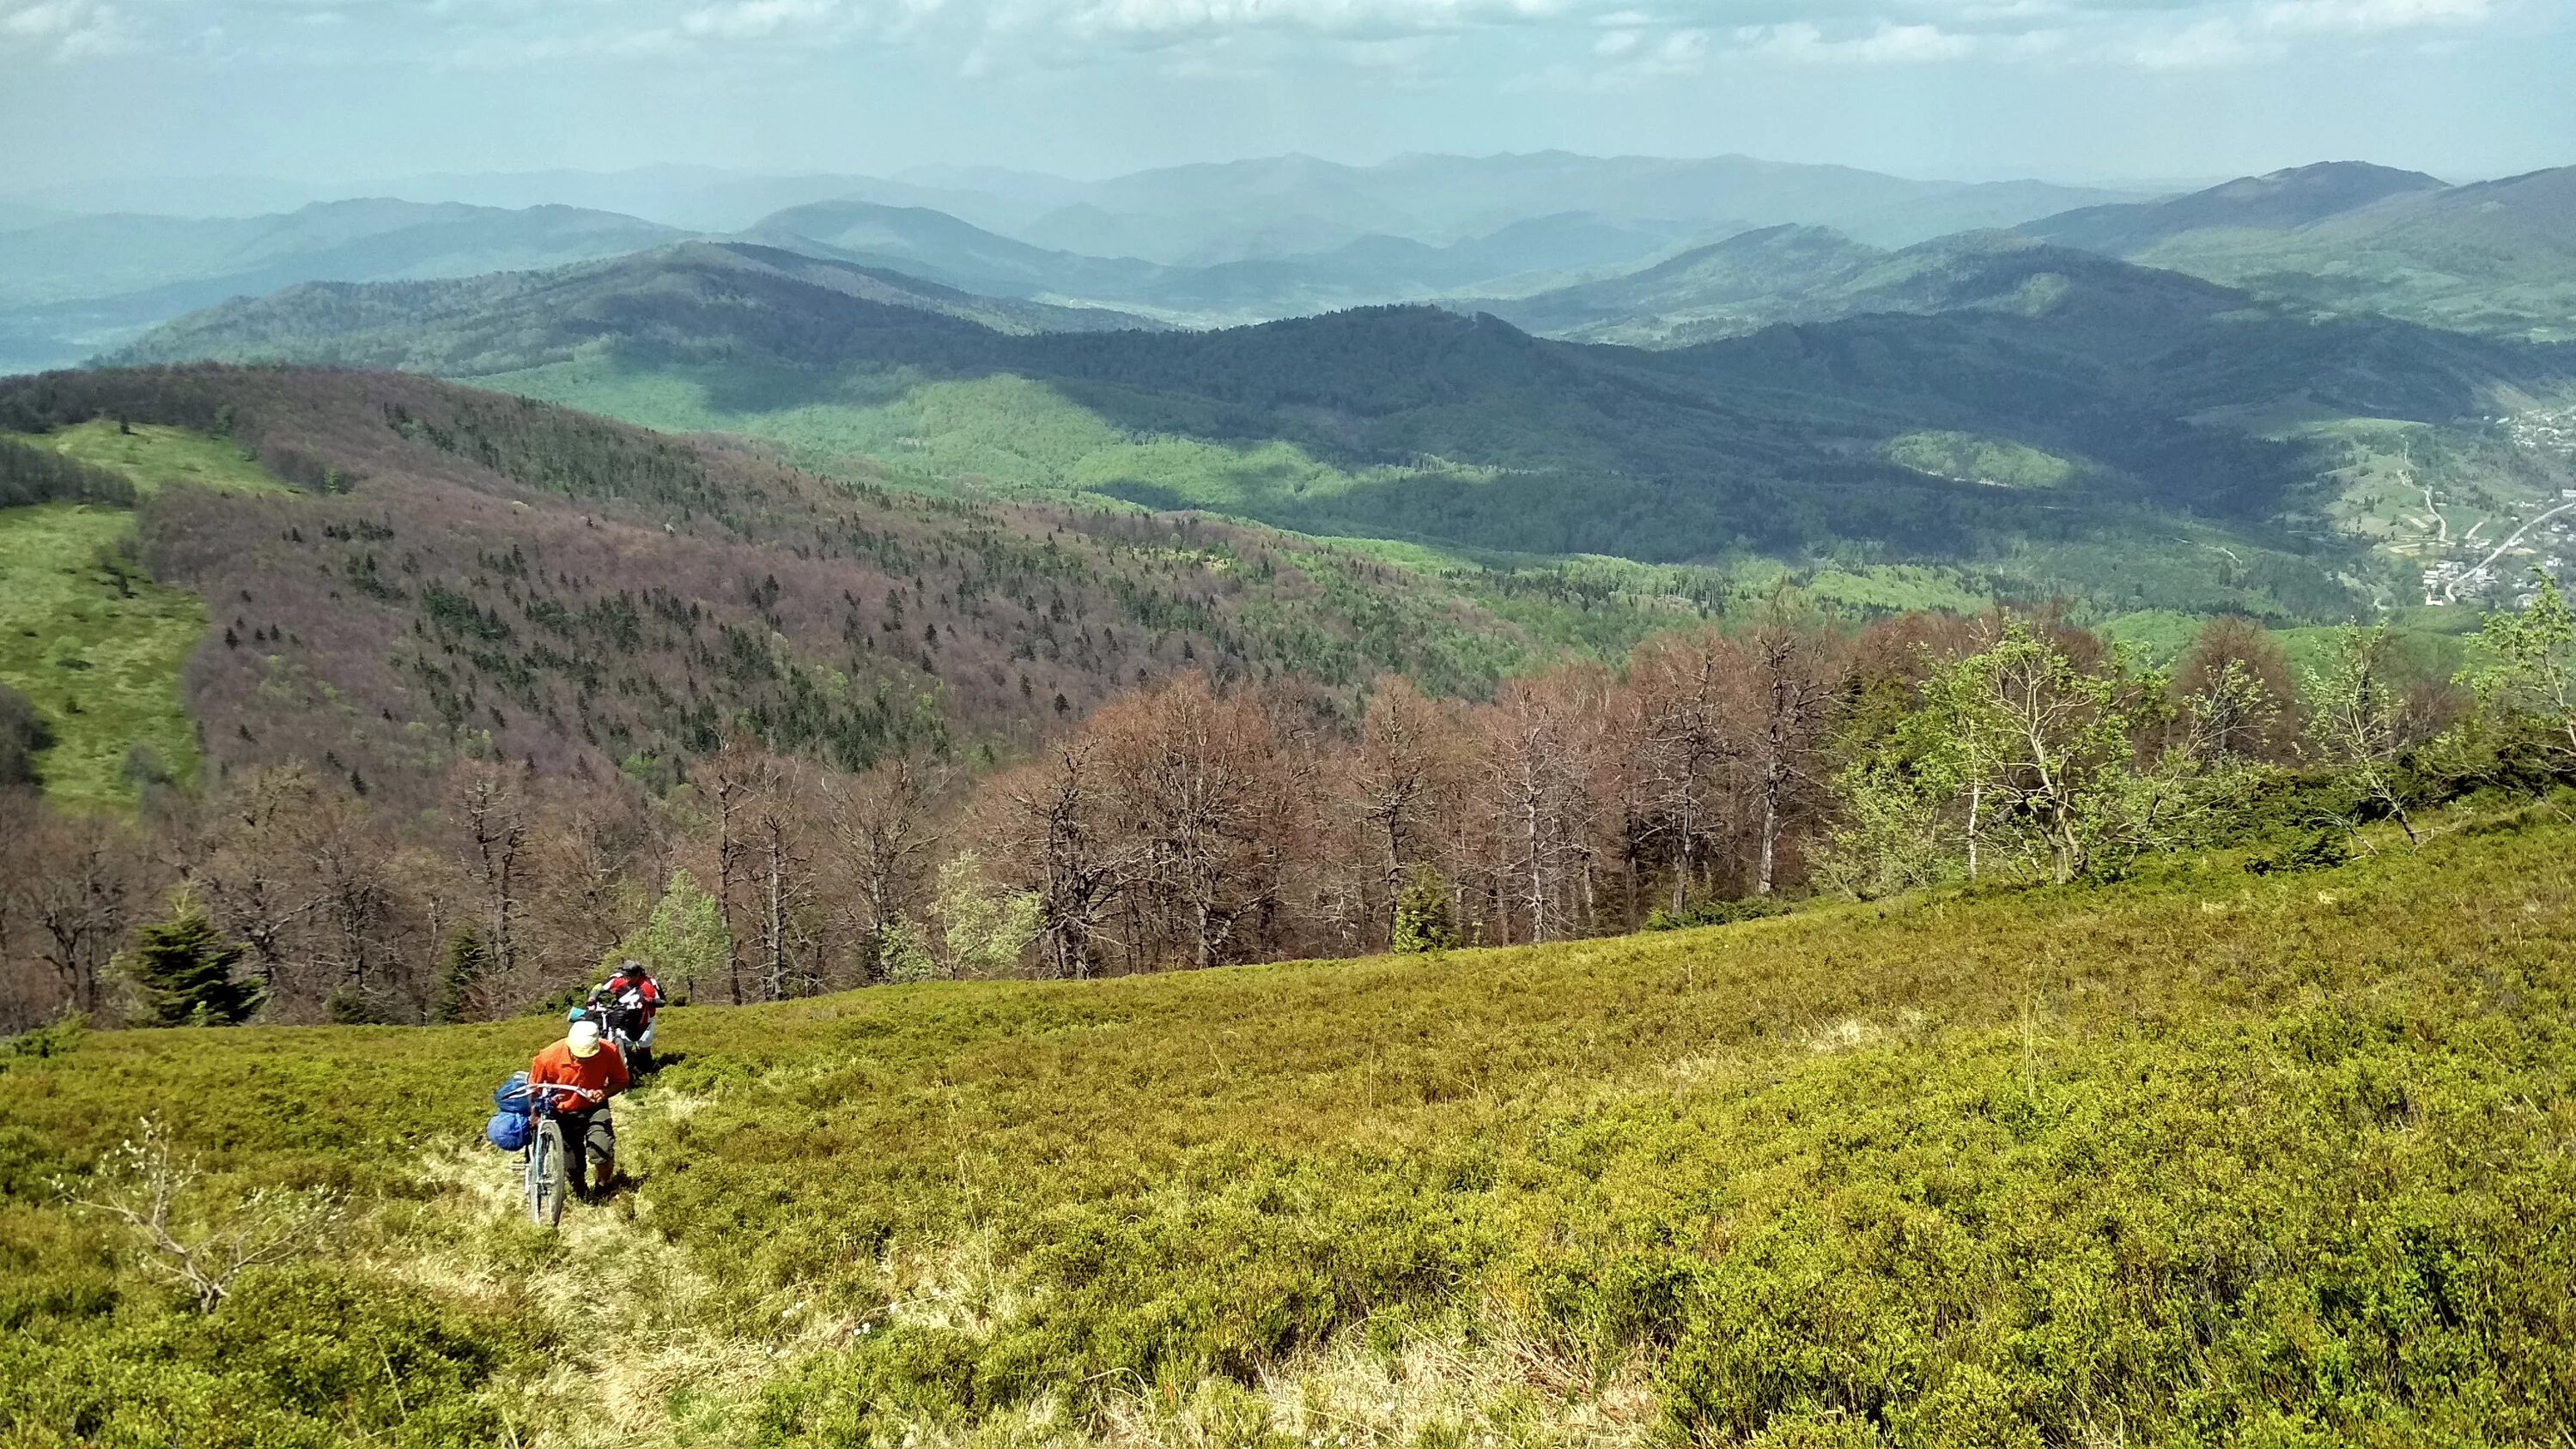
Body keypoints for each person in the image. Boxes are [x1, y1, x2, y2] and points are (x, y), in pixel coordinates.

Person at [527, 1018, 629, 1201]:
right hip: (562, 1113)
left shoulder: (609, 1051)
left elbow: (621, 1080)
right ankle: (580, 1192)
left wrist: (604, 1092)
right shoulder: (548, 1057)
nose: (582, 1058)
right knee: (572, 1164)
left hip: (594, 1108)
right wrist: (534, 1115)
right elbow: (533, 1088)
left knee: (602, 1150)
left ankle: (603, 1186)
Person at [589, 959, 665, 1071]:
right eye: (626, 976)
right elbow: (598, 987)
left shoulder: (649, 983)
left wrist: (647, 1001)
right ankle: (629, 1074)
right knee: (625, 1049)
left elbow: (662, 1002)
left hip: (645, 1022)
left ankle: (647, 1073)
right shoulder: (618, 979)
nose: (627, 979)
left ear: (638, 974)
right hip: (624, 1021)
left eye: (630, 976)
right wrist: (592, 999)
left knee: (644, 1050)